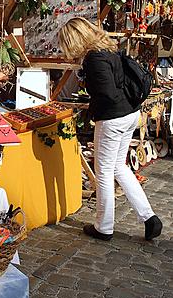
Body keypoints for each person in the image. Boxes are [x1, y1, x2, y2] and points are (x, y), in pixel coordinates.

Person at [58, 17, 162, 242]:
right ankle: (149, 217)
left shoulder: (95, 58)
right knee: (118, 167)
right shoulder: (108, 51)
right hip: (129, 113)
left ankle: (104, 226)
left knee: (103, 171)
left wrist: (91, 105)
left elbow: (106, 92)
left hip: (113, 118)